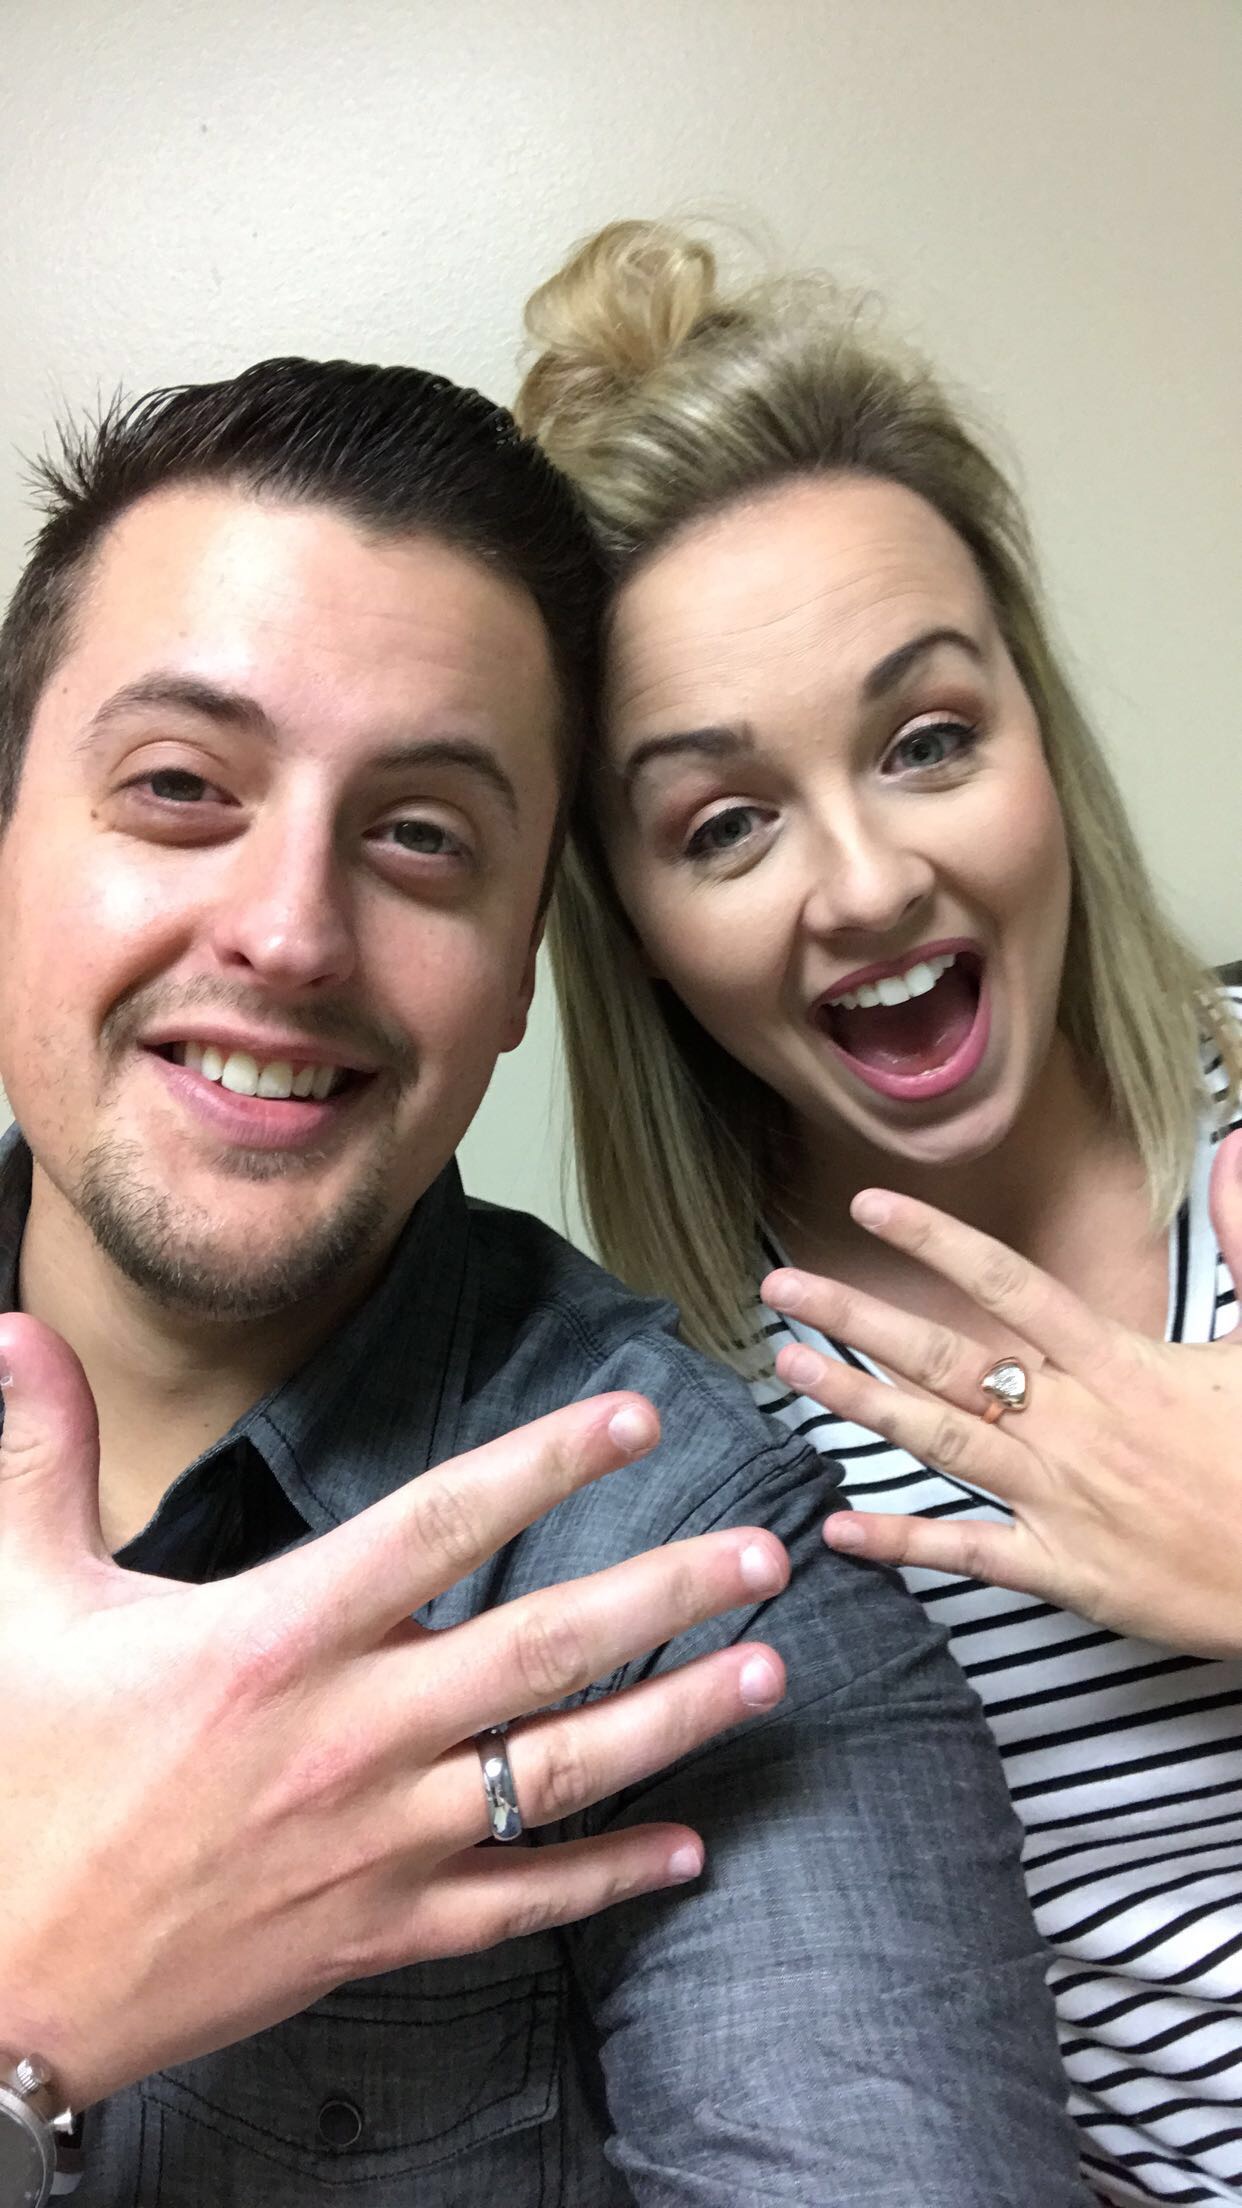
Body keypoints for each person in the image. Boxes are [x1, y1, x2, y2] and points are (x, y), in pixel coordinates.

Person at [0, 357, 1088, 2207]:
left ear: (519, 968)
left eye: (422, 833)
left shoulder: (686, 1558)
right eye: (181, 788)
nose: (289, 931)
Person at [516, 220, 1242, 2207]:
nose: (864, 883)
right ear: (629, 926)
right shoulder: (692, 1484)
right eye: (724, 823)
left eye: (928, 741)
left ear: (1037, 730)